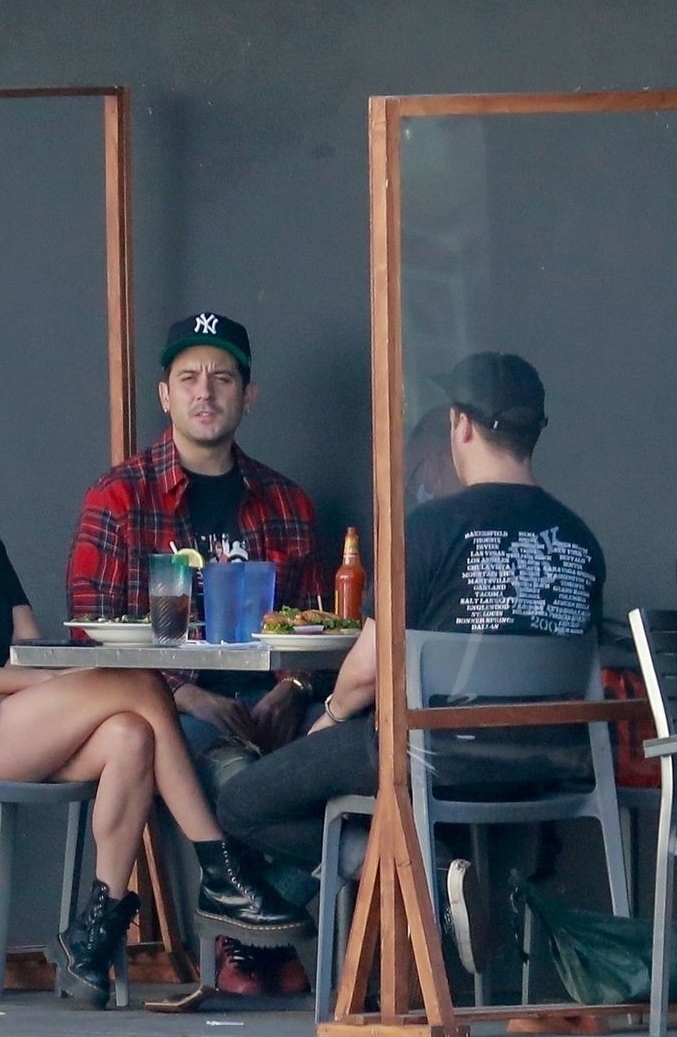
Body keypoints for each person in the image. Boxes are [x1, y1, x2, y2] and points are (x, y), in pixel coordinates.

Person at [0, 399, 305, 1009]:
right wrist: (1, 687)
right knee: (138, 682)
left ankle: (92, 938)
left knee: (132, 733)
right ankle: (219, 869)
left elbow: (30, 645)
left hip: (8, 713)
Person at [216, 352, 605, 974]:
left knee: (241, 804)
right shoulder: (581, 538)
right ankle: (440, 878)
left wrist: (331, 715)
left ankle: (431, 871)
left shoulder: (427, 529)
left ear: (460, 425)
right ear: (536, 432)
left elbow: (369, 671)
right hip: (551, 762)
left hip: (437, 754)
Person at [66, 311, 325, 991]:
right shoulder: (121, 495)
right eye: (188, 378)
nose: (204, 391)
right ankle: (251, 944)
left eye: (222, 377)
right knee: (239, 776)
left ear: (248, 394)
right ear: (165, 395)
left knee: (353, 766)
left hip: (272, 702)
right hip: (170, 712)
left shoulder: (286, 501)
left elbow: (318, 624)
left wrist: (291, 690)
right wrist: (184, 692)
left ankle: (261, 933)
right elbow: (88, 629)